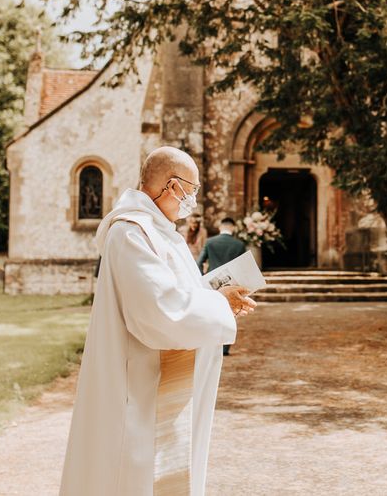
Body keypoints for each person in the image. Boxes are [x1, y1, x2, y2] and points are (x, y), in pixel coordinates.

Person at [59, 146, 256, 496]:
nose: (193, 200)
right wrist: (217, 303)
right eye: (191, 191)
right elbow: (157, 311)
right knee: (135, 476)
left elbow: (181, 291)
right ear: (172, 187)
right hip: (139, 385)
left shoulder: (162, 232)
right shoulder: (131, 233)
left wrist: (221, 299)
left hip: (163, 379)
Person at [196, 217, 247, 355]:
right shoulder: (239, 244)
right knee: (231, 314)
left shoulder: (210, 242)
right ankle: (224, 348)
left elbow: (198, 262)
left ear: (220, 227)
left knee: (211, 313)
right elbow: (244, 267)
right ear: (233, 228)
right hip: (232, 285)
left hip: (212, 284)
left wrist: (203, 280)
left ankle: (212, 345)